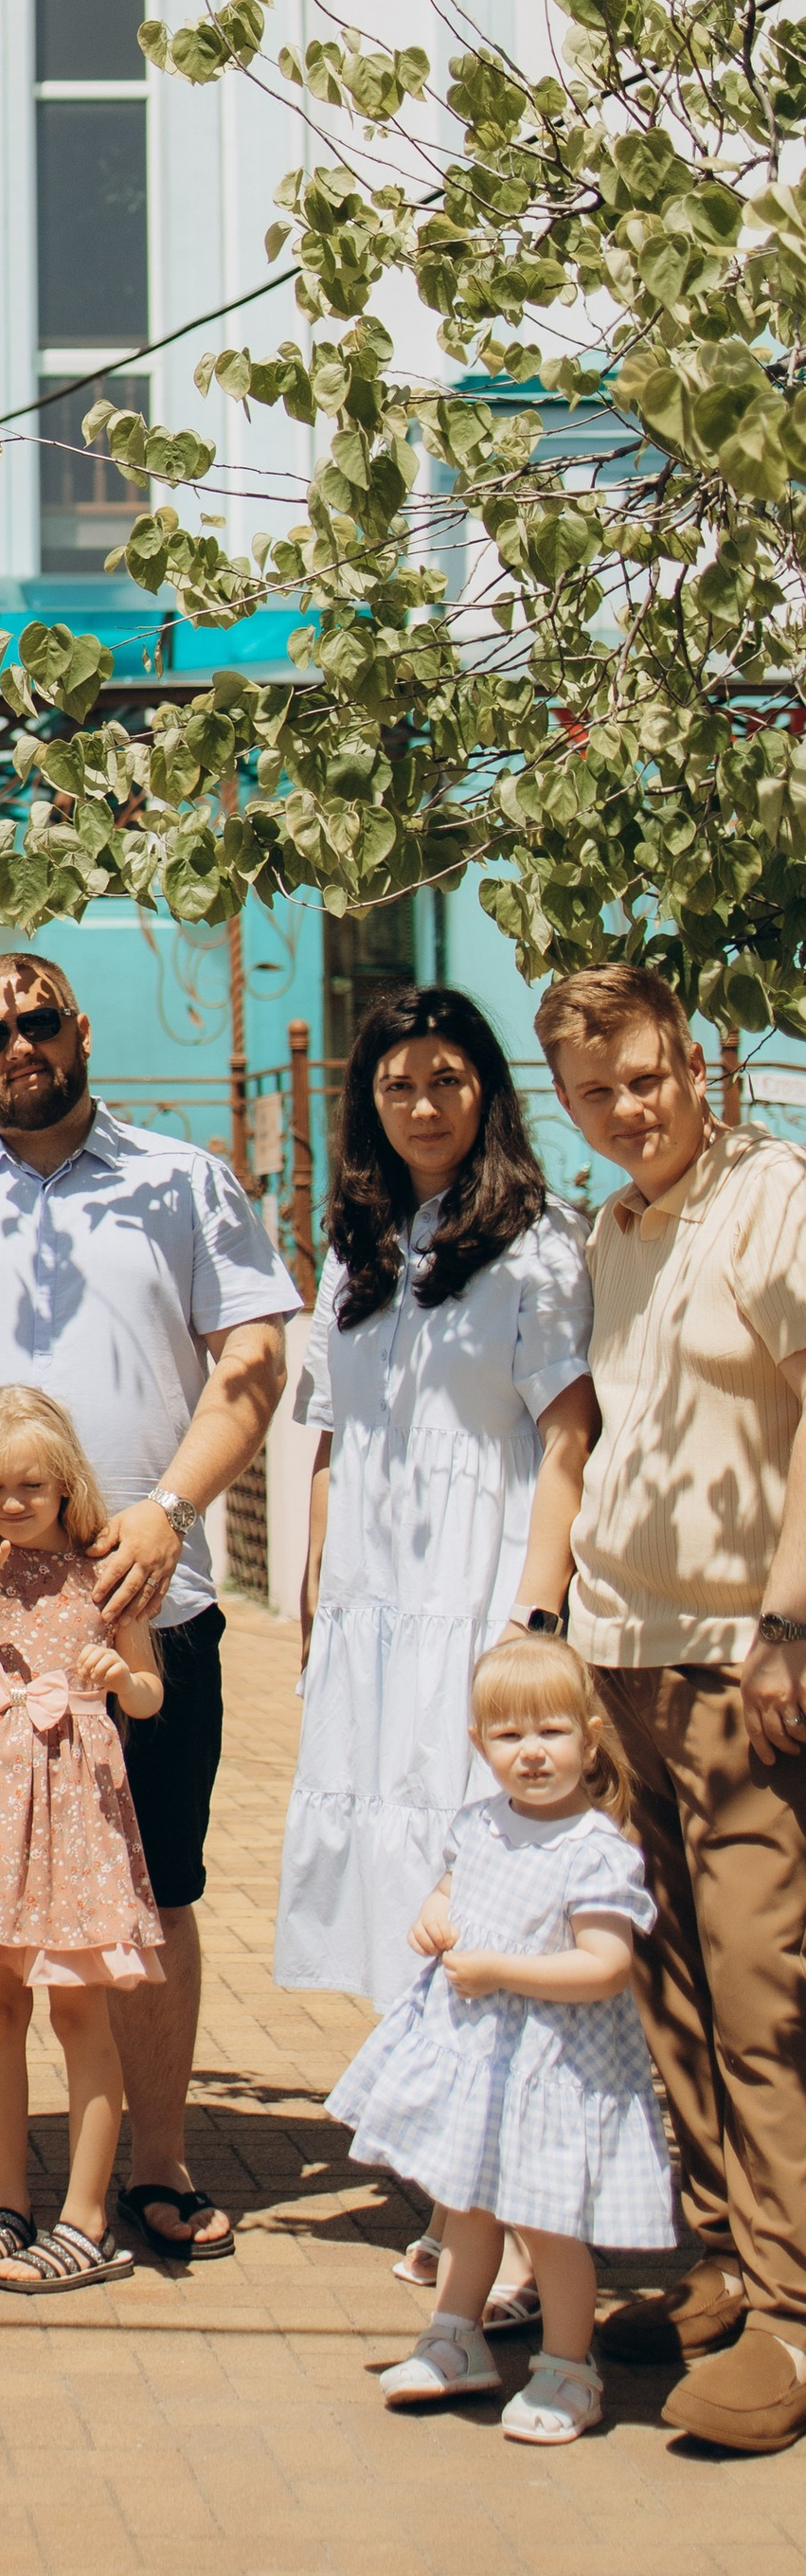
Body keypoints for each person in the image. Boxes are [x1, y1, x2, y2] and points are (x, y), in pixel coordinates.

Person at [0, 947, 297, 2260]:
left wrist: (172, 1510)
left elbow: (253, 1360)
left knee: (158, 1890)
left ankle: (155, 2163)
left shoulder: (186, 1184)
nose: (17, 1046)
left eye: (38, 1022)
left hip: (136, 1605)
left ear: (80, 1030)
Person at [274, 985, 598, 2321]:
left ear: (487, 1094)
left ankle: (524, 2237)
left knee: (497, 1901)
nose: (424, 1105)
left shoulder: (538, 1245)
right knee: (403, 1889)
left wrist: (532, 1621)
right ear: (370, 1101)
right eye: (400, 1084)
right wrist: (307, 1594)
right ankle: (463, 2195)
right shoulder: (353, 1243)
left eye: (449, 1083)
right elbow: (340, 1444)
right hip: (369, 1612)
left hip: (476, 1607)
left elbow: (569, 1437)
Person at [539, 961, 806, 2454]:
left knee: (767, 1990)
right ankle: (719, 2263)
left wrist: (788, 1621)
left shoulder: (771, 1198)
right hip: (620, 1651)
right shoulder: (616, 1227)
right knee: (670, 1986)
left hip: (740, 1663)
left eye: (650, 1077)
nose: (631, 1109)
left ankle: (794, 2310)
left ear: (694, 1060)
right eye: (599, 1093)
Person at [330, 1633, 674, 2443]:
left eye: (551, 1732)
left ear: (590, 1737)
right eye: (510, 1736)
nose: (531, 1754)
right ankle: (454, 2339)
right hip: (481, 2063)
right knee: (468, 2202)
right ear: (480, 1744)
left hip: (555, 2070)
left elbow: (606, 1966)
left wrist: (500, 1969)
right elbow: (455, 1886)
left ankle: (567, 2367)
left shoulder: (596, 1849)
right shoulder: (481, 1824)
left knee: (548, 2223)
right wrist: (433, 1913)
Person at [0, 1387, 164, 2297]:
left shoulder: (104, 1569)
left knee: (80, 2007)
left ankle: (85, 2220)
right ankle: (13, 2205)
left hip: (75, 1815)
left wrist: (119, 1676)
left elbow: (152, 1695)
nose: (12, 1504)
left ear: (64, 1484)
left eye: (31, 1486)